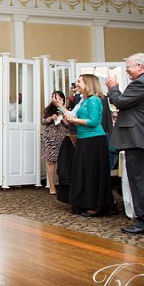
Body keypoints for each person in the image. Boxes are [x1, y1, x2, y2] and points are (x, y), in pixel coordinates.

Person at [106, 53, 144, 235]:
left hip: (140, 140)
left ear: (140, 67)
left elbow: (120, 101)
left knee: (140, 182)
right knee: (143, 182)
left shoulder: (142, 83)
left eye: (128, 66)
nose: (126, 70)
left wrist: (113, 88)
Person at [61, 74, 112, 217]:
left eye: (79, 81)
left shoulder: (94, 100)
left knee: (92, 173)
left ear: (88, 83)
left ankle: (97, 205)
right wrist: (64, 111)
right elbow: (75, 116)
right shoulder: (84, 100)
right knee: (83, 172)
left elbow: (94, 122)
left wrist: (74, 119)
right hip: (84, 139)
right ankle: (85, 202)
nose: (76, 84)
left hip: (94, 141)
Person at [39, 91, 67, 195]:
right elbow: (43, 121)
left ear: (63, 100)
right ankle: (51, 185)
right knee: (50, 161)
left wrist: (63, 117)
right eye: (54, 98)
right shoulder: (48, 109)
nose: (55, 100)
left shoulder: (66, 110)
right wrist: (50, 118)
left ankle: (63, 184)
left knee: (63, 161)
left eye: (58, 98)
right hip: (50, 137)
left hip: (63, 138)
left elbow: (71, 124)